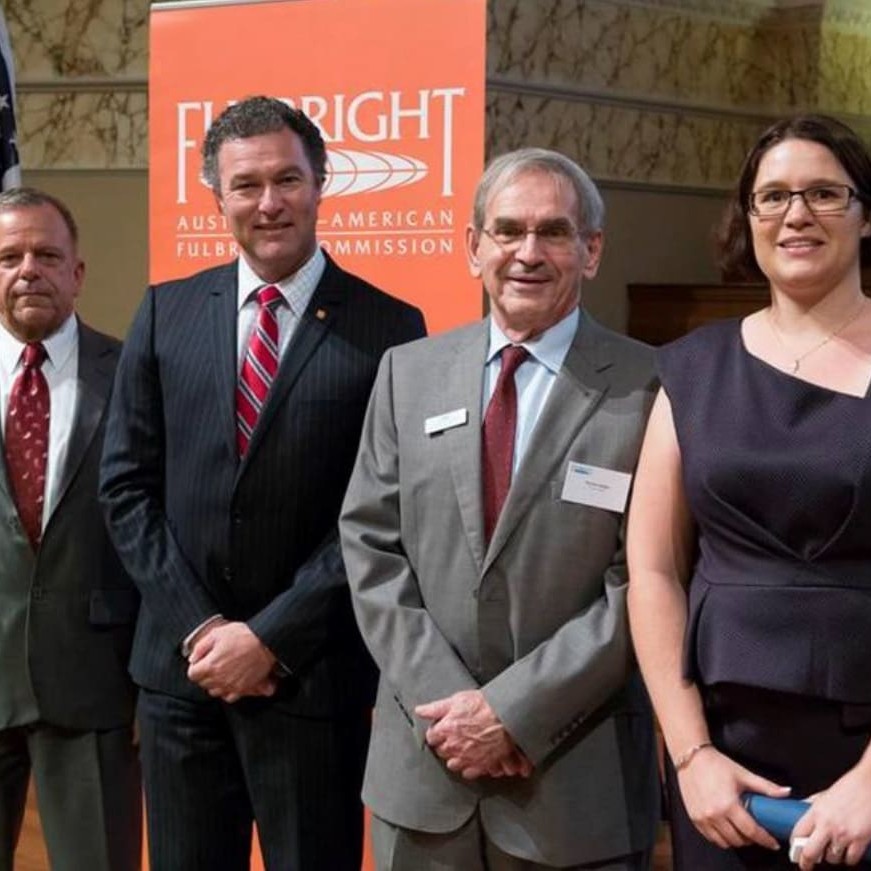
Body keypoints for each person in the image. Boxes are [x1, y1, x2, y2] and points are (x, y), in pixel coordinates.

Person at [99, 96, 426, 871]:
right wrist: (203, 631)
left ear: (322, 183)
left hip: (312, 683)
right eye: (246, 185)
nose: (268, 202)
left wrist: (270, 637)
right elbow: (124, 487)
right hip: (184, 681)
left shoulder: (390, 328)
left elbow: (383, 512)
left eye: (288, 179)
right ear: (217, 196)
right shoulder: (164, 311)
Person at [340, 147, 660, 871]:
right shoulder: (406, 373)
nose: (527, 252)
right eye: (507, 229)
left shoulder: (651, 386)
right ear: (472, 246)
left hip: (573, 786)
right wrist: (453, 707)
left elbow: (644, 577)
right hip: (424, 771)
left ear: (591, 250)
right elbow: (368, 545)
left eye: (553, 232)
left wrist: (512, 713)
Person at [627, 114, 871, 871]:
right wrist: (689, 753)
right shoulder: (689, 368)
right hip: (721, 760)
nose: (795, 214)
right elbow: (653, 569)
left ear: (867, 216)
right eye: (771, 197)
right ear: (748, 220)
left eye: (824, 193)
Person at [0, 187, 140, 871]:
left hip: (95, 680)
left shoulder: (135, 375)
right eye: (9, 256)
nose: (28, 269)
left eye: (46, 254)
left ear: (77, 272)